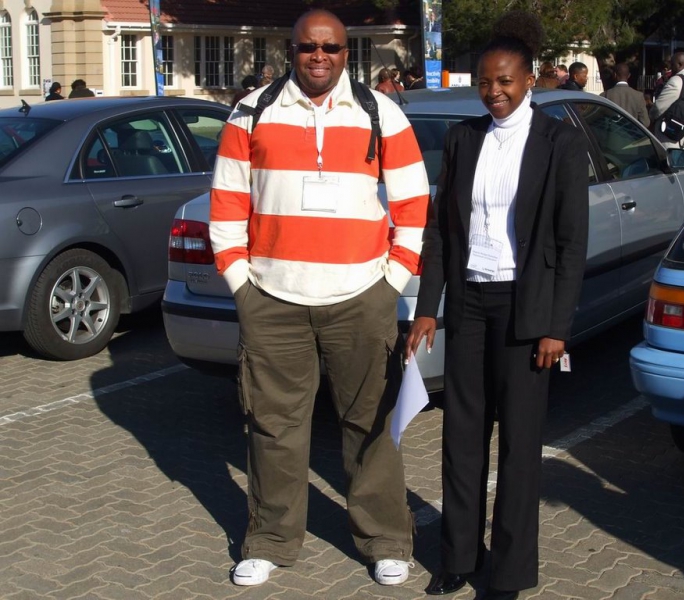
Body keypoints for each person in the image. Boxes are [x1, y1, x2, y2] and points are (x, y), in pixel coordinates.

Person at [209, 8, 429, 590]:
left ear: (346, 52)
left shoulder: (381, 112)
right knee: (273, 428)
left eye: (331, 47)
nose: (319, 56)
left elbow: (413, 203)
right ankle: (271, 541)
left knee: (370, 426)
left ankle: (385, 540)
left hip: (362, 298)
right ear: (292, 49)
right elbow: (226, 206)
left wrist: (391, 282)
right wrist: (242, 288)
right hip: (272, 300)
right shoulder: (251, 111)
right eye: (309, 46)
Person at [405, 9, 588, 600]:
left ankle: (509, 574)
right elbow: (442, 230)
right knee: (461, 437)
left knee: (518, 447)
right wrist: (428, 307)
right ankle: (458, 557)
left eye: (505, 80)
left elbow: (571, 242)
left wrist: (557, 326)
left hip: (525, 311)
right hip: (469, 306)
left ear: (530, 79)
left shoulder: (559, 142)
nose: (495, 92)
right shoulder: (464, 138)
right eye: (485, 82)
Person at [649, 52, 684, 154]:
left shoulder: (676, 81)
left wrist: (650, 117)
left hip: (671, 140)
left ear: (679, 64)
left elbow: (658, 108)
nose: (671, 68)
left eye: (672, 64)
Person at [601, 62, 650, 127]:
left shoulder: (605, 95)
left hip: (611, 132)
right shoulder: (638, 96)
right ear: (629, 75)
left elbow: (598, 121)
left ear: (614, 75)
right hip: (632, 133)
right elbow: (646, 123)